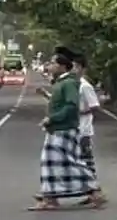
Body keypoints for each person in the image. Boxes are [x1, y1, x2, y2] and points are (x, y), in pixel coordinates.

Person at [29, 48, 105, 211]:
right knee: (54, 163)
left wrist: (52, 118)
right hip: (57, 129)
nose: (50, 66)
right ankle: (51, 196)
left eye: (53, 63)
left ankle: (92, 190)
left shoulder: (69, 83)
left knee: (66, 162)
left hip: (64, 129)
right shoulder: (63, 83)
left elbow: (71, 106)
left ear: (63, 66)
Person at [73, 53, 108, 206]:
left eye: (74, 66)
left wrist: (79, 113)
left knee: (86, 162)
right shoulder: (73, 85)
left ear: (81, 68)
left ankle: (97, 193)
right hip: (75, 130)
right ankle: (90, 192)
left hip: (84, 129)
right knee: (80, 162)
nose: (72, 69)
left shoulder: (84, 86)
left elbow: (95, 107)